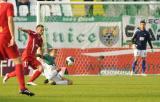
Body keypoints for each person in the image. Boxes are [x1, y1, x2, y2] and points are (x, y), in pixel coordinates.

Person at [0, 0, 34, 96]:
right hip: (5, 37)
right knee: (18, 62)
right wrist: (13, 37)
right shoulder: (8, 5)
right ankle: (22, 88)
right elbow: (10, 20)